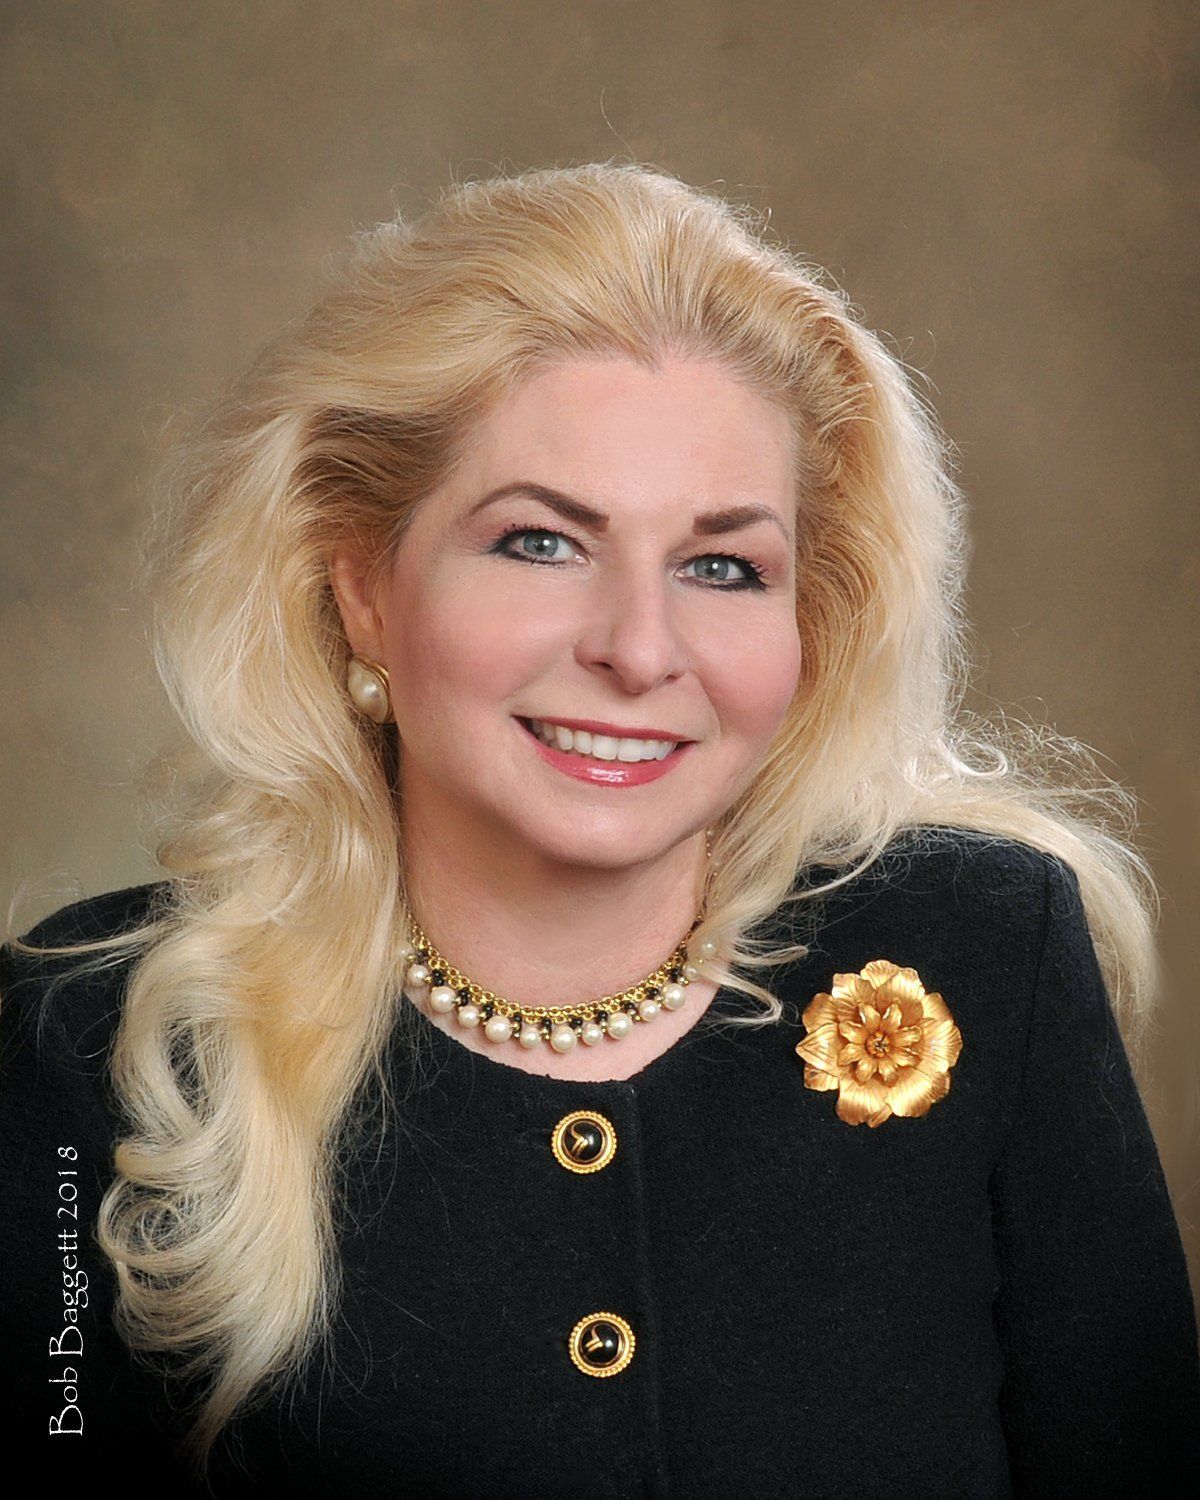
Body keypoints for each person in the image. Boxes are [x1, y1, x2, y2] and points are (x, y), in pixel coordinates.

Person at [1, 161, 1196, 1499]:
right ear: (362, 595)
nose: (640, 649)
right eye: (539, 543)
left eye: (723, 566)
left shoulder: (985, 947)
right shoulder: (87, 1042)